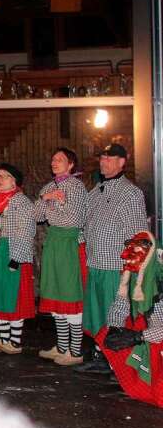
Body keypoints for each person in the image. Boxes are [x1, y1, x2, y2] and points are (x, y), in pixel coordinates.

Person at [79, 143, 149, 374]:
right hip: (96, 262)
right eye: (102, 157)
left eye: (109, 158)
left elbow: (138, 235)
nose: (103, 161)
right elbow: (86, 225)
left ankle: (117, 362)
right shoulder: (95, 191)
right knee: (98, 313)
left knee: (114, 313)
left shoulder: (130, 193)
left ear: (122, 162)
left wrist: (132, 269)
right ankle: (102, 355)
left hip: (116, 266)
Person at [34, 147, 88, 367]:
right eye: (53, 159)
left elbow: (72, 221)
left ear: (71, 164)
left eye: (60, 159)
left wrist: (53, 207)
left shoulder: (76, 186)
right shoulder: (49, 187)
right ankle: (62, 346)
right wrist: (46, 199)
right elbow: (35, 215)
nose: (54, 162)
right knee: (55, 293)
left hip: (68, 243)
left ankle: (75, 351)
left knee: (68, 293)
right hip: (54, 242)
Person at [0, 163, 36, 354]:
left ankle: (15, 341)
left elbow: (25, 231)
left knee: (13, 296)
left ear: (14, 181)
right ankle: (3, 338)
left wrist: (17, 258)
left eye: (5, 176)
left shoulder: (22, 202)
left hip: (12, 252)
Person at [99, 231, 163, 407]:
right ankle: (128, 373)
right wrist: (114, 328)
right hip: (152, 331)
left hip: (157, 335)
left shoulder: (159, 281)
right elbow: (120, 303)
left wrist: (138, 337)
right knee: (108, 330)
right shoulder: (134, 276)